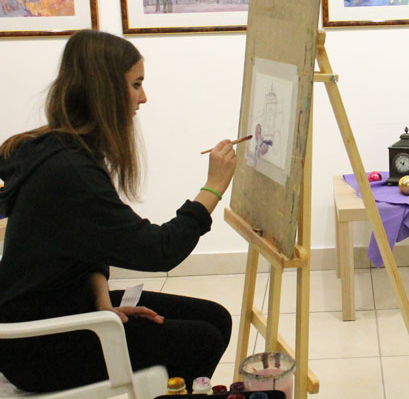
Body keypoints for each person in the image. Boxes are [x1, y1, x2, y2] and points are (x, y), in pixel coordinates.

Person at [0, 29, 237, 393]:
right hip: (38, 346)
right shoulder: (68, 171)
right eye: (135, 85)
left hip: (69, 306)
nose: (143, 97)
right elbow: (159, 250)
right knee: (200, 340)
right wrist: (213, 188)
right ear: (105, 90)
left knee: (216, 319)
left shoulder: (61, 149)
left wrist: (101, 302)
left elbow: (85, 247)